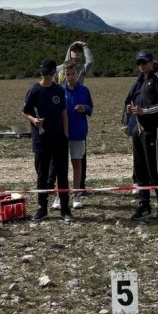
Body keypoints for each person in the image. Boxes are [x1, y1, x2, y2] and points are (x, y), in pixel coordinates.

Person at [124, 49, 158, 221]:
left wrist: (146, 111)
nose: (142, 65)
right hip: (138, 129)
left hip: (153, 128)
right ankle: (144, 205)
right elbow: (133, 101)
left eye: (144, 62)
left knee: (154, 168)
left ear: (151, 63)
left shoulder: (157, 78)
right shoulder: (139, 81)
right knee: (140, 167)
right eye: (139, 63)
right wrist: (130, 110)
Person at [22, 60, 71, 221]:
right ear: (41, 73)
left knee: (62, 174)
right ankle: (42, 208)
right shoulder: (34, 90)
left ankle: (65, 209)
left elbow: (63, 113)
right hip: (41, 139)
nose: (48, 76)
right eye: (45, 73)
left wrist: (65, 134)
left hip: (59, 139)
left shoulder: (59, 90)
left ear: (54, 73)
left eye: (50, 73)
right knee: (42, 175)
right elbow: (25, 111)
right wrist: (34, 120)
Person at [61, 60, 93, 209]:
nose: (70, 77)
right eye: (67, 74)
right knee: (61, 166)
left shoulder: (84, 90)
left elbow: (90, 108)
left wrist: (84, 108)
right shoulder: (60, 90)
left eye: (72, 74)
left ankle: (77, 194)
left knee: (77, 164)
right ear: (63, 75)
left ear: (77, 73)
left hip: (78, 133)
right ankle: (60, 195)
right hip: (62, 134)